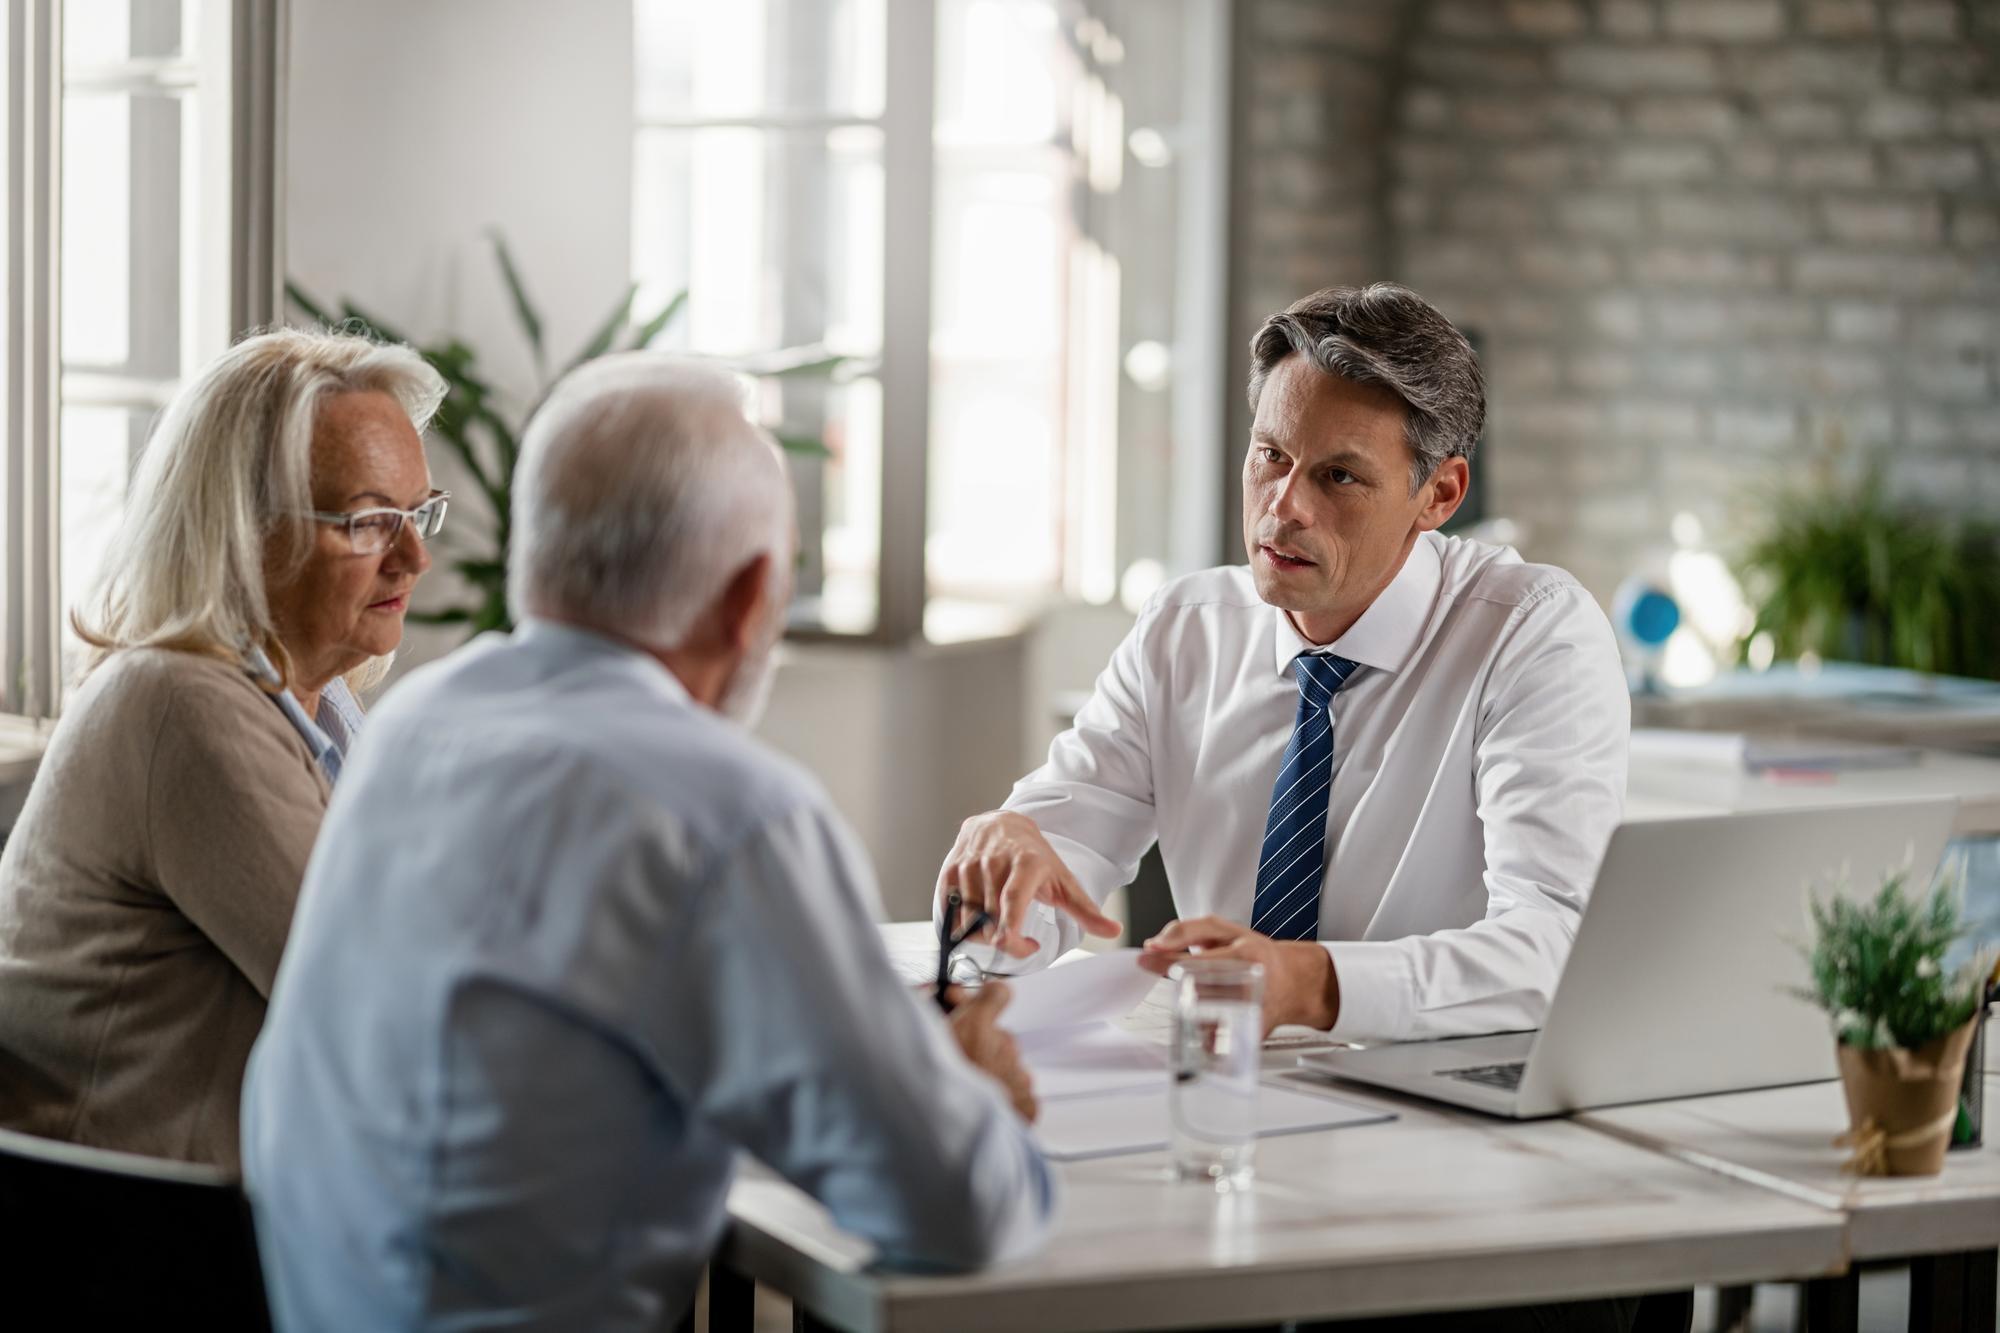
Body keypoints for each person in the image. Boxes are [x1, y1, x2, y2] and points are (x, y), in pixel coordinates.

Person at [242, 354, 1055, 1333]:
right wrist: (961, 1092)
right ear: (753, 594)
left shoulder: (416, 725)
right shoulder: (726, 812)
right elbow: (956, 1210)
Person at [939, 282, 1630, 1044]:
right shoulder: (1185, 629)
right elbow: (1059, 859)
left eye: (1338, 476)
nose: (1283, 507)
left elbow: (1557, 945)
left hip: (1437, 1102)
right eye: (1271, 455)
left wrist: (1309, 983)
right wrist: (1002, 888)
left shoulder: (1533, 635)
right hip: (1219, 1084)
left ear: (1440, 494)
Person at [0, 327, 445, 1169]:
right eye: (370, 521)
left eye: (420, 513)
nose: (415, 557)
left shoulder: (322, 708)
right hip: (128, 1247)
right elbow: (388, 1012)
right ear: (245, 528)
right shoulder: (182, 703)